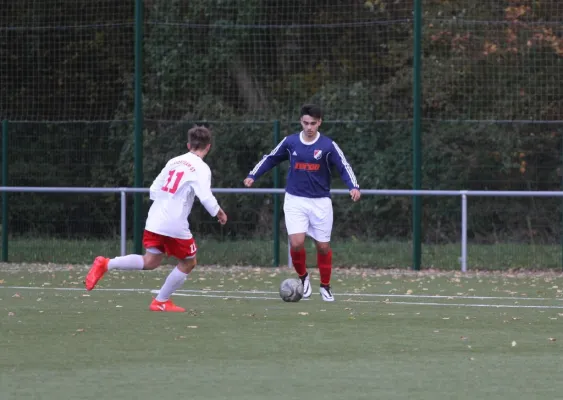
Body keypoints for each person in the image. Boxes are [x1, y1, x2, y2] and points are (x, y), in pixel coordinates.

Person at [84, 125, 228, 312]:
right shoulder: (201, 168)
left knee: (150, 261)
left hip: (154, 220)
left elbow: (153, 189)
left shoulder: (174, 161)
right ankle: (161, 301)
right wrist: (219, 212)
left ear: (188, 145)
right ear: (208, 147)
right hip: (174, 224)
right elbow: (206, 197)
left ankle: (106, 263)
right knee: (189, 262)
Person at [244, 104, 360, 302]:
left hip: (321, 202)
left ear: (319, 122)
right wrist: (253, 174)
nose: (309, 127)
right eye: (305, 123)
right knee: (296, 243)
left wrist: (353, 186)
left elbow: (343, 165)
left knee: (323, 247)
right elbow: (271, 158)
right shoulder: (290, 142)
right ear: (301, 122)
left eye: (313, 123)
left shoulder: (327, 146)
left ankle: (325, 286)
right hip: (295, 200)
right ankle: (304, 279)